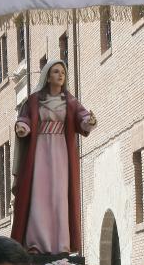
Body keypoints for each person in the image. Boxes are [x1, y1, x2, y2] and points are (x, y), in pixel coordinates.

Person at [11, 58, 96, 254]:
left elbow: (82, 119)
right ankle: (36, 244)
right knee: (39, 195)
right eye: (56, 72)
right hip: (39, 152)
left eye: (63, 73)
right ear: (48, 76)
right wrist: (23, 128)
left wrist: (89, 121)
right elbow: (24, 119)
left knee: (59, 196)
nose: (60, 75)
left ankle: (61, 245)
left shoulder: (70, 101)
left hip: (61, 154)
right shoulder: (33, 100)